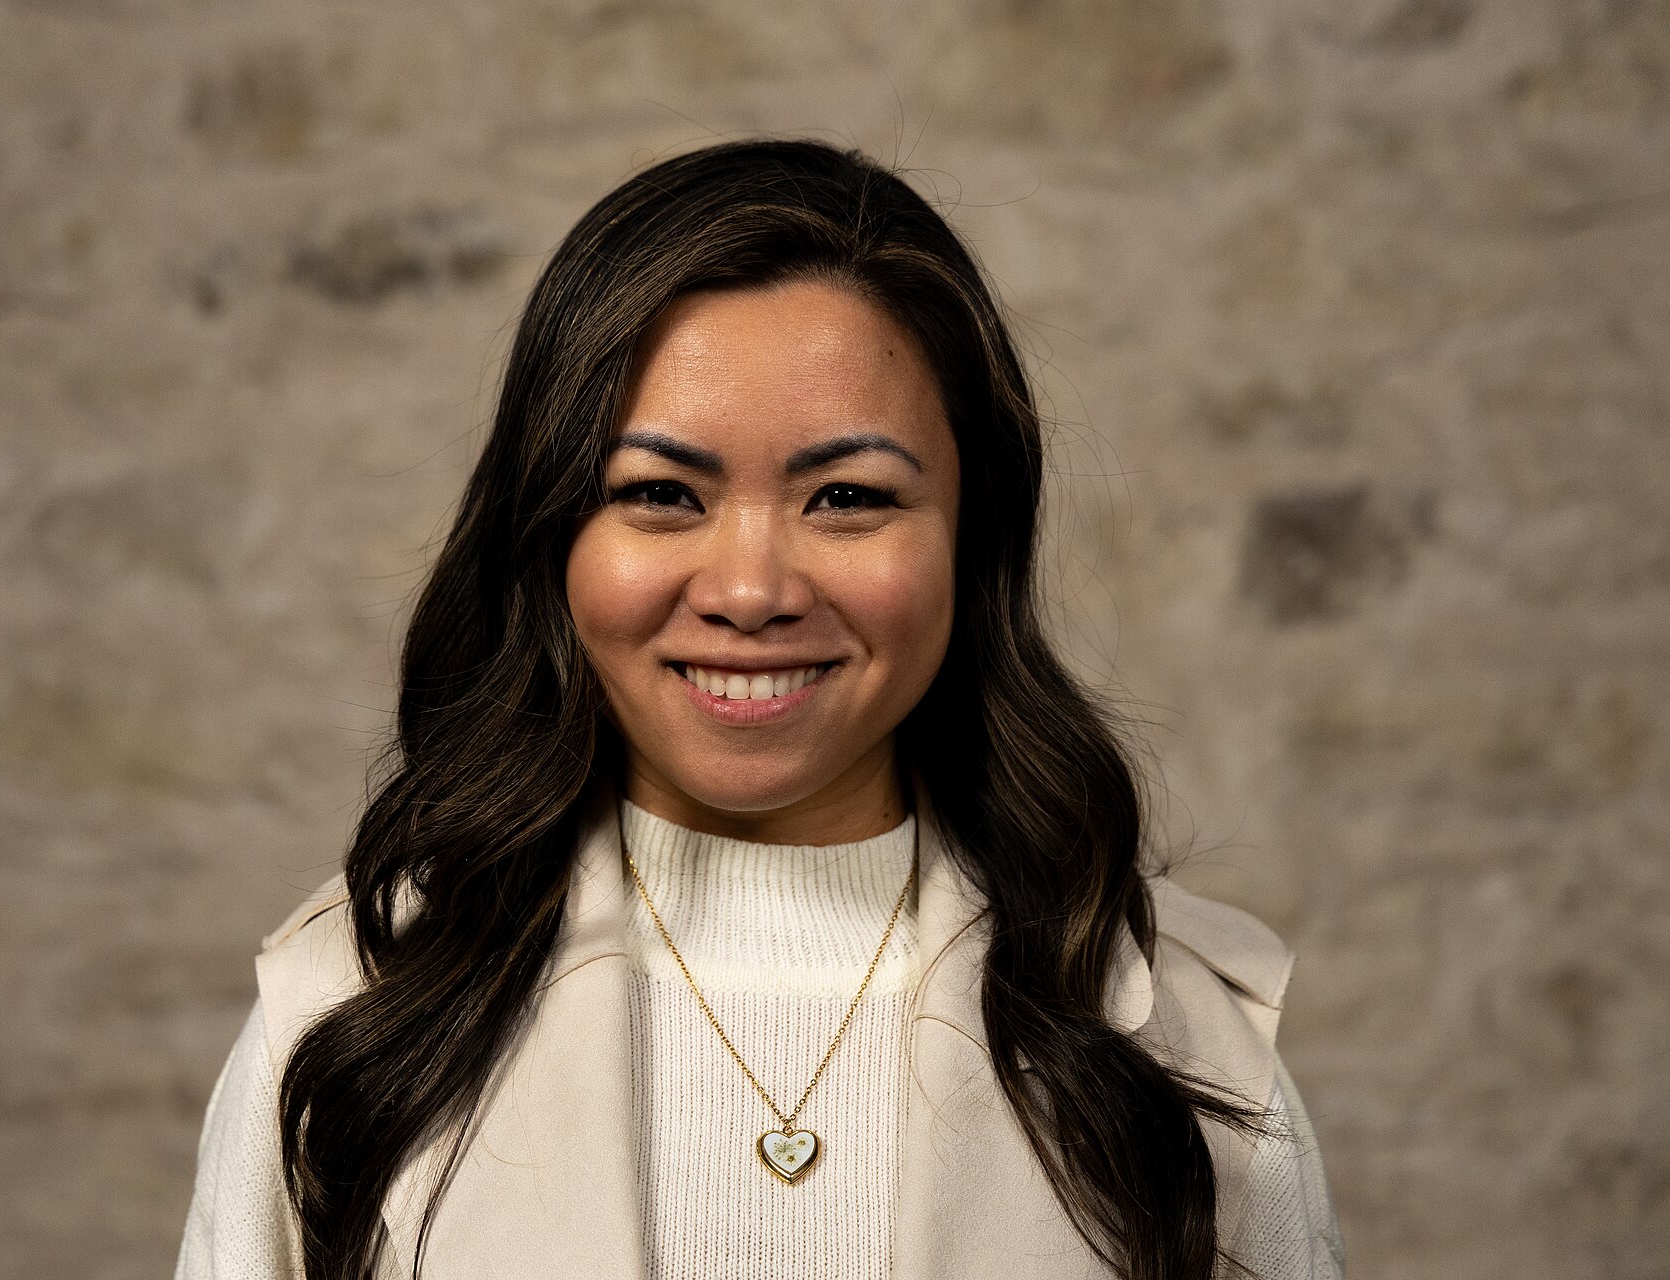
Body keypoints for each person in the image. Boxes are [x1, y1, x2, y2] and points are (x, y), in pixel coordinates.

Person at [175, 138, 1346, 1280]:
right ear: (548, 538)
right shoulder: (350, 1024)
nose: (749, 592)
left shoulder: (1186, 1053)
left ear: (971, 535)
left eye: (846, 496)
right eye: (659, 494)